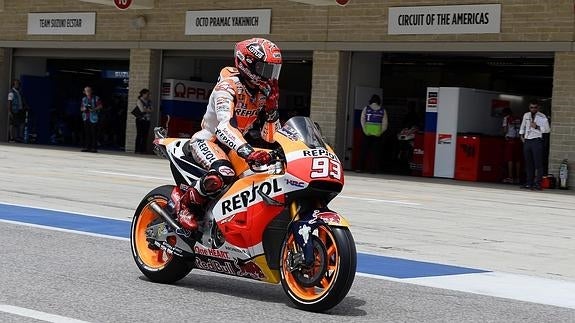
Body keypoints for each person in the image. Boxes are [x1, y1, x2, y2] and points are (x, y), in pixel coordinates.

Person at [172, 38, 282, 231]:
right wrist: (247, 151)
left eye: (273, 70)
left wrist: (272, 111)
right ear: (246, 63)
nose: (270, 75)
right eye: (265, 68)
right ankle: (185, 205)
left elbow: (270, 138)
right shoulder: (227, 87)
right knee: (223, 173)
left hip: (236, 146)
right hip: (209, 140)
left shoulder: (263, 93)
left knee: (264, 175)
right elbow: (224, 127)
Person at [519, 100, 550, 190]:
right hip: (527, 140)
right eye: (531, 107)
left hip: (537, 140)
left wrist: (537, 127)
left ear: (538, 108)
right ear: (529, 108)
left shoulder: (542, 116)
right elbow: (522, 125)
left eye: (535, 107)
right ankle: (529, 183)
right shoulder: (526, 115)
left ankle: (538, 183)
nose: (533, 109)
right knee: (528, 163)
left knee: (538, 163)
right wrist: (521, 135)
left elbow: (547, 130)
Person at [358, 94, 388, 173]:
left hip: (367, 133)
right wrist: (380, 132)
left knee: (364, 151)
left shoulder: (366, 109)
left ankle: (360, 168)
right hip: (377, 135)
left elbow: (362, 120)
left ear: (371, 100)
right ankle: (373, 169)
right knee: (375, 153)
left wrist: (365, 130)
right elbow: (385, 124)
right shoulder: (382, 110)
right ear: (379, 101)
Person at [501, 107, 522, 184]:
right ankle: (518, 178)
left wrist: (504, 132)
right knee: (517, 160)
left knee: (510, 159)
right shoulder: (519, 118)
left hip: (510, 140)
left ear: (505, 113)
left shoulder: (506, 118)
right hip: (518, 140)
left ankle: (510, 177)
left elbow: (505, 130)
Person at [80, 86, 103, 153]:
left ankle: (94, 148)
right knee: (87, 133)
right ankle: (87, 147)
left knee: (94, 133)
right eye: (86, 91)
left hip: (94, 118)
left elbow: (101, 106)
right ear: (84, 92)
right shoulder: (84, 99)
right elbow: (81, 108)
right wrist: (84, 109)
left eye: (89, 90)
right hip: (86, 117)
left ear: (91, 91)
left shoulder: (96, 98)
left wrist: (94, 109)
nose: (88, 92)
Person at [134, 88, 153, 154]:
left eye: (149, 94)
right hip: (140, 120)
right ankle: (137, 149)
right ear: (143, 94)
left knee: (145, 135)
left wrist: (146, 109)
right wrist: (147, 110)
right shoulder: (139, 101)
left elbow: (151, 110)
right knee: (139, 134)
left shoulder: (149, 101)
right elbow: (142, 110)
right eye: (147, 94)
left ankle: (143, 150)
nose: (148, 95)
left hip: (147, 120)